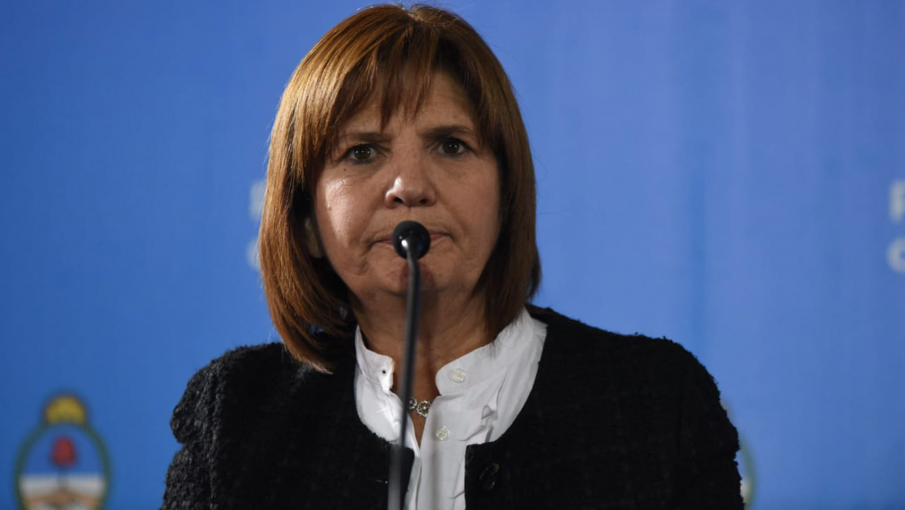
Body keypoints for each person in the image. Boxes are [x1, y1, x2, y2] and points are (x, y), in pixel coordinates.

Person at [162, 4, 742, 509]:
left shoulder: (655, 405)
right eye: (362, 152)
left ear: (506, 199)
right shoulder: (237, 416)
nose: (409, 186)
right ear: (306, 222)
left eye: (450, 145)